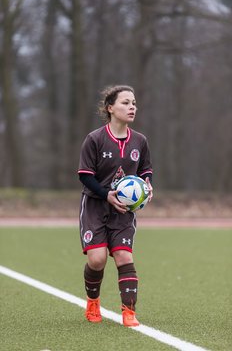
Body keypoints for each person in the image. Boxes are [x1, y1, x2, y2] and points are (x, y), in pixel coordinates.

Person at [78, 85, 153, 327]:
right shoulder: (95, 139)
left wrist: (148, 186)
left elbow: (146, 171)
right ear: (110, 108)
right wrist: (106, 194)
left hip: (124, 211)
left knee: (123, 255)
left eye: (134, 103)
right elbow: (85, 175)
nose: (132, 107)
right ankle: (93, 301)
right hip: (95, 207)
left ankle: (129, 312)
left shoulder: (140, 141)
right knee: (97, 260)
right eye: (125, 102)